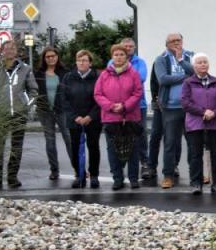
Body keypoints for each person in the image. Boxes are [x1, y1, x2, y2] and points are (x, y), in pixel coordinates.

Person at [94, 43, 145, 190]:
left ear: (126, 56)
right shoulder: (104, 74)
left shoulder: (133, 73)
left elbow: (137, 92)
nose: (119, 57)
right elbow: (98, 94)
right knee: (113, 150)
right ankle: (117, 178)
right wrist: (111, 106)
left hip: (130, 117)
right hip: (111, 118)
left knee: (133, 149)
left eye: (122, 54)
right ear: (112, 57)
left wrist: (124, 105)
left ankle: (134, 178)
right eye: (116, 54)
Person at [0, 40, 38, 190]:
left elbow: (33, 90)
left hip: (19, 113)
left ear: (16, 51)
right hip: (0, 114)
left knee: (16, 148)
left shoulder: (25, 69)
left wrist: (26, 105)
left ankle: (12, 177)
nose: (10, 50)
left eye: (13, 48)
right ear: (2, 50)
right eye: (7, 48)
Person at [180, 53, 216, 195]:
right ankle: (196, 183)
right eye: (199, 62)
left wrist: (214, 112)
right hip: (195, 124)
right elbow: (185, 102)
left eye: (205, 62)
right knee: (195, 155)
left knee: (215, 155)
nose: (203, 64)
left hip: (215, 123)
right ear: (194, 66)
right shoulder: (188, 82)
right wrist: (203, 112)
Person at [153, 33, 194, 189]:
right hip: (171, 107)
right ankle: (168, 175)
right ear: (167, 44)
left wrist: (181, 61)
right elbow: (163, 79)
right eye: (173, 41)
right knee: (170, 142)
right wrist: (185, 77)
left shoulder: (190, 56)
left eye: (179, 40)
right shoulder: (161, 59)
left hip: (190, 107)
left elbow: (195, 72)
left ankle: (196, 173)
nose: (177, 43)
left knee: (193, 142)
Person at [57, 50, 102, 189]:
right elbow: (63, 99)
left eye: (85, 60)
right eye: (79, 60)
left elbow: (100, 98)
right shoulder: (68, 77)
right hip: (74, 119)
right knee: (75, 147)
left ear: (90, 63)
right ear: (76, 62)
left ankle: (94, 176)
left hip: (92, 119)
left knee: (93, 147)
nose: (81, 63)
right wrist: (75, 116)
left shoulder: (98, 77)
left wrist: (90, 116)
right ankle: (79, 175)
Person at [108, 38, 150, 184]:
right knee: (119, 138)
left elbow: (141, 78)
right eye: (126, 46)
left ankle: (144, 163)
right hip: (115, 110)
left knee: (140, 136)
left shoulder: (140, 62)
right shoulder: (110, 63)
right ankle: (120, 169)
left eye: (131, 46)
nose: (128, 48)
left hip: (138, 106)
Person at [34, 46, 69, 180]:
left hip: (62, 110)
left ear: (57, 57)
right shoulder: (38, 74)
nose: (51, 58)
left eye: (53, 56)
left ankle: (78, 169)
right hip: (45, 111)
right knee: (50, 142)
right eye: (48, 56)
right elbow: (33, 90)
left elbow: (69, 91)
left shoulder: (65, 72)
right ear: (44, 59)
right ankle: (54, 170)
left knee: (69, 139)